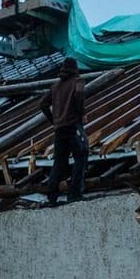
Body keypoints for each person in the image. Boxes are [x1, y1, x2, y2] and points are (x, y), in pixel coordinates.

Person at [41, 58, 88, 203]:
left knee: (59, 162)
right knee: (81, 156)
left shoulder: (55, 87)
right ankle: (74, 193)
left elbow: (43, 104)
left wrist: (54, 120)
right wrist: (80, 114)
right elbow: (79, 94)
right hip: (73, 126)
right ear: (75, 69)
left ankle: (52, 195)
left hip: (59, 130)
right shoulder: (77, 82)